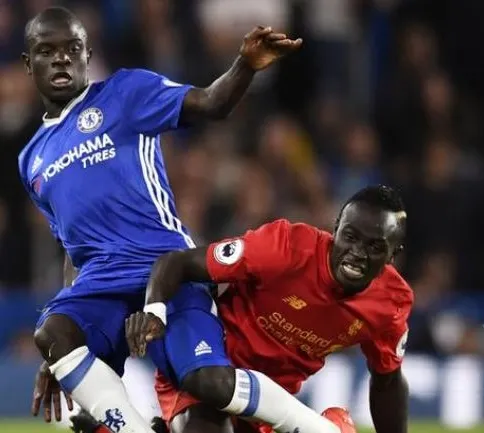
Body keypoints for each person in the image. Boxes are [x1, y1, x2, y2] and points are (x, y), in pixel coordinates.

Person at [21, 6, 342, 433]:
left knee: (206, 382)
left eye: (72, 49)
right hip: (102, 284)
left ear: (87, 54)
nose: (61, 58)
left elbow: (211, 103)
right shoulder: (31, 160)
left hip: (165, 269)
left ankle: (324, 430)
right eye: (47, 50)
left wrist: (245, 65)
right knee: (53, 331)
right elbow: (72, 249)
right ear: (28, 62)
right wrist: (68, 357)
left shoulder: (126, 93)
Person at [124, 185, 412, 433]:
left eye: (375, 247)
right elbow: (179, 263)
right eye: (350, 237)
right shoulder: (285, 247)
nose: (357, 253)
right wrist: (154, 311)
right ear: (335, 228)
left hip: (266, 405)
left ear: (393, 254)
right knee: (206, 416)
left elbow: (387, 381)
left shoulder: (391, 303)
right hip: (209, 367)